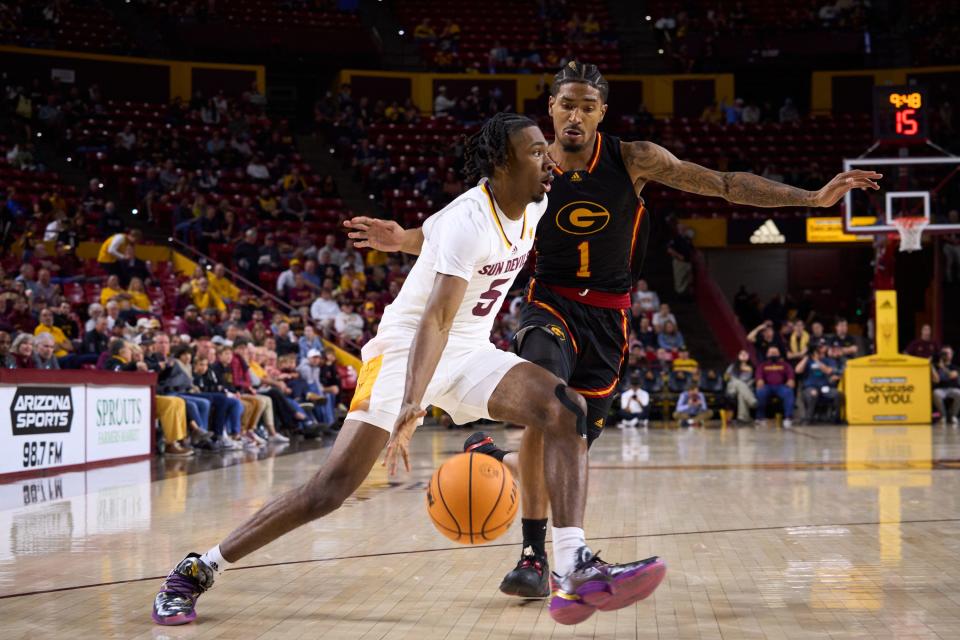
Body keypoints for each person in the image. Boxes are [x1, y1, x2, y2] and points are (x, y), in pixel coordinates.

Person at [346, 61, 880, 598]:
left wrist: (810, 198)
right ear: (550, 109)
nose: (574, 115)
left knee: (572, 444)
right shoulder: (528, 167)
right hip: (548, 306)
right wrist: (403, 238)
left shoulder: (634, 159)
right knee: (549, 409)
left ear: (603, 112)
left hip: (609, 316)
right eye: (565, 104)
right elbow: (461, 230)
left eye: (586, 106)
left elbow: (722, 185)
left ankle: (494, 457)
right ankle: (536, 558)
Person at [152, 113, 664, 628]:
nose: (549, 160)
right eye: (535, 152)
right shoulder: (471, 219)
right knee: (330, 489)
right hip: (404, 352)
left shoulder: (533, 205)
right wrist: (411, 403)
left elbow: (434, 235)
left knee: (565, 410)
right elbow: (434, 320)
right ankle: (198, 568)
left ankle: (572, 565)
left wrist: (401, 239)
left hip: (466, 351)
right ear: (502, 164)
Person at [755, 346, 796, 427]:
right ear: (767, 354)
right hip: (767, 386)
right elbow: (758, 374)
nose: (773, 354)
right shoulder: (762, 365)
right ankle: (760, 418)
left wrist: (791, 379)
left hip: (780, 386)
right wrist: (759, 379)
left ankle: (788, 418)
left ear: (779, 354)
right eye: (771, 352)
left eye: (775, 352)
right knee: (760, 393)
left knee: (788, 392)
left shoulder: (785, 365)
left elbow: (790, 374)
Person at [724, 349, 757, 423]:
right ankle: (752, 401)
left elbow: (753, 380)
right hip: (732, 388)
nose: (743, 355)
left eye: (745, 354)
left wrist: (750, 370)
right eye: (741, 354)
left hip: (746, 389)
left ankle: (742, 418)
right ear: (738, 356)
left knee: (741, 394)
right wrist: (728, 376)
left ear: (748, 357)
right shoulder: (733, 366)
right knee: (737, 382)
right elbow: (726, 378)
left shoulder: (752, 367)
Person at [932, 346, 960, 425]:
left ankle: (954, 416)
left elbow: (952, 375)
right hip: (941, 389)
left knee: (959, 393)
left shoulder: (955, 367)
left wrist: (943, 367)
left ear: (952, 355)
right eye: (944, 353)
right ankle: (943, 416)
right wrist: (932, 366)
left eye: (948, 353)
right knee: (936, 393)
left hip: (953, 388)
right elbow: (936, 380)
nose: (946, 355)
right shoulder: (937, 367)